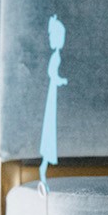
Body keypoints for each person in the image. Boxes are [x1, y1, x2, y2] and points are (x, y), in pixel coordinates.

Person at [39, 13, 67, 183]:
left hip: (52, 92)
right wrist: (61, 80)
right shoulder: (55, 56)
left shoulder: (57, 55)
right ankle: (44, 168)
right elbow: (52, 73)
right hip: (52, 91)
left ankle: (45, 167)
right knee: (49, 125)